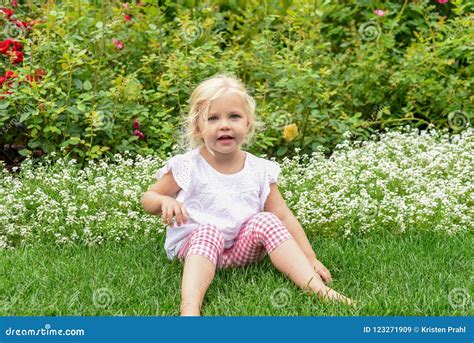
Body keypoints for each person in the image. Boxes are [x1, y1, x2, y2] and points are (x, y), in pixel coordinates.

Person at [141, 74, 354, 316]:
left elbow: (284, 217)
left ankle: (319, 290)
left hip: (240, 250)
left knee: (266, 220)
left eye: (234, 116)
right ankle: (190, 310)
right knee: (207, 232)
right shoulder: (188, 165)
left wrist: (311, 257)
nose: (224, 125)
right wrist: (164, 200)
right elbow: (148, 198)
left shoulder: (259, 169)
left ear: (248, 124)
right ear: (198, 128)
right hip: (196, 251)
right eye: (213, 118)